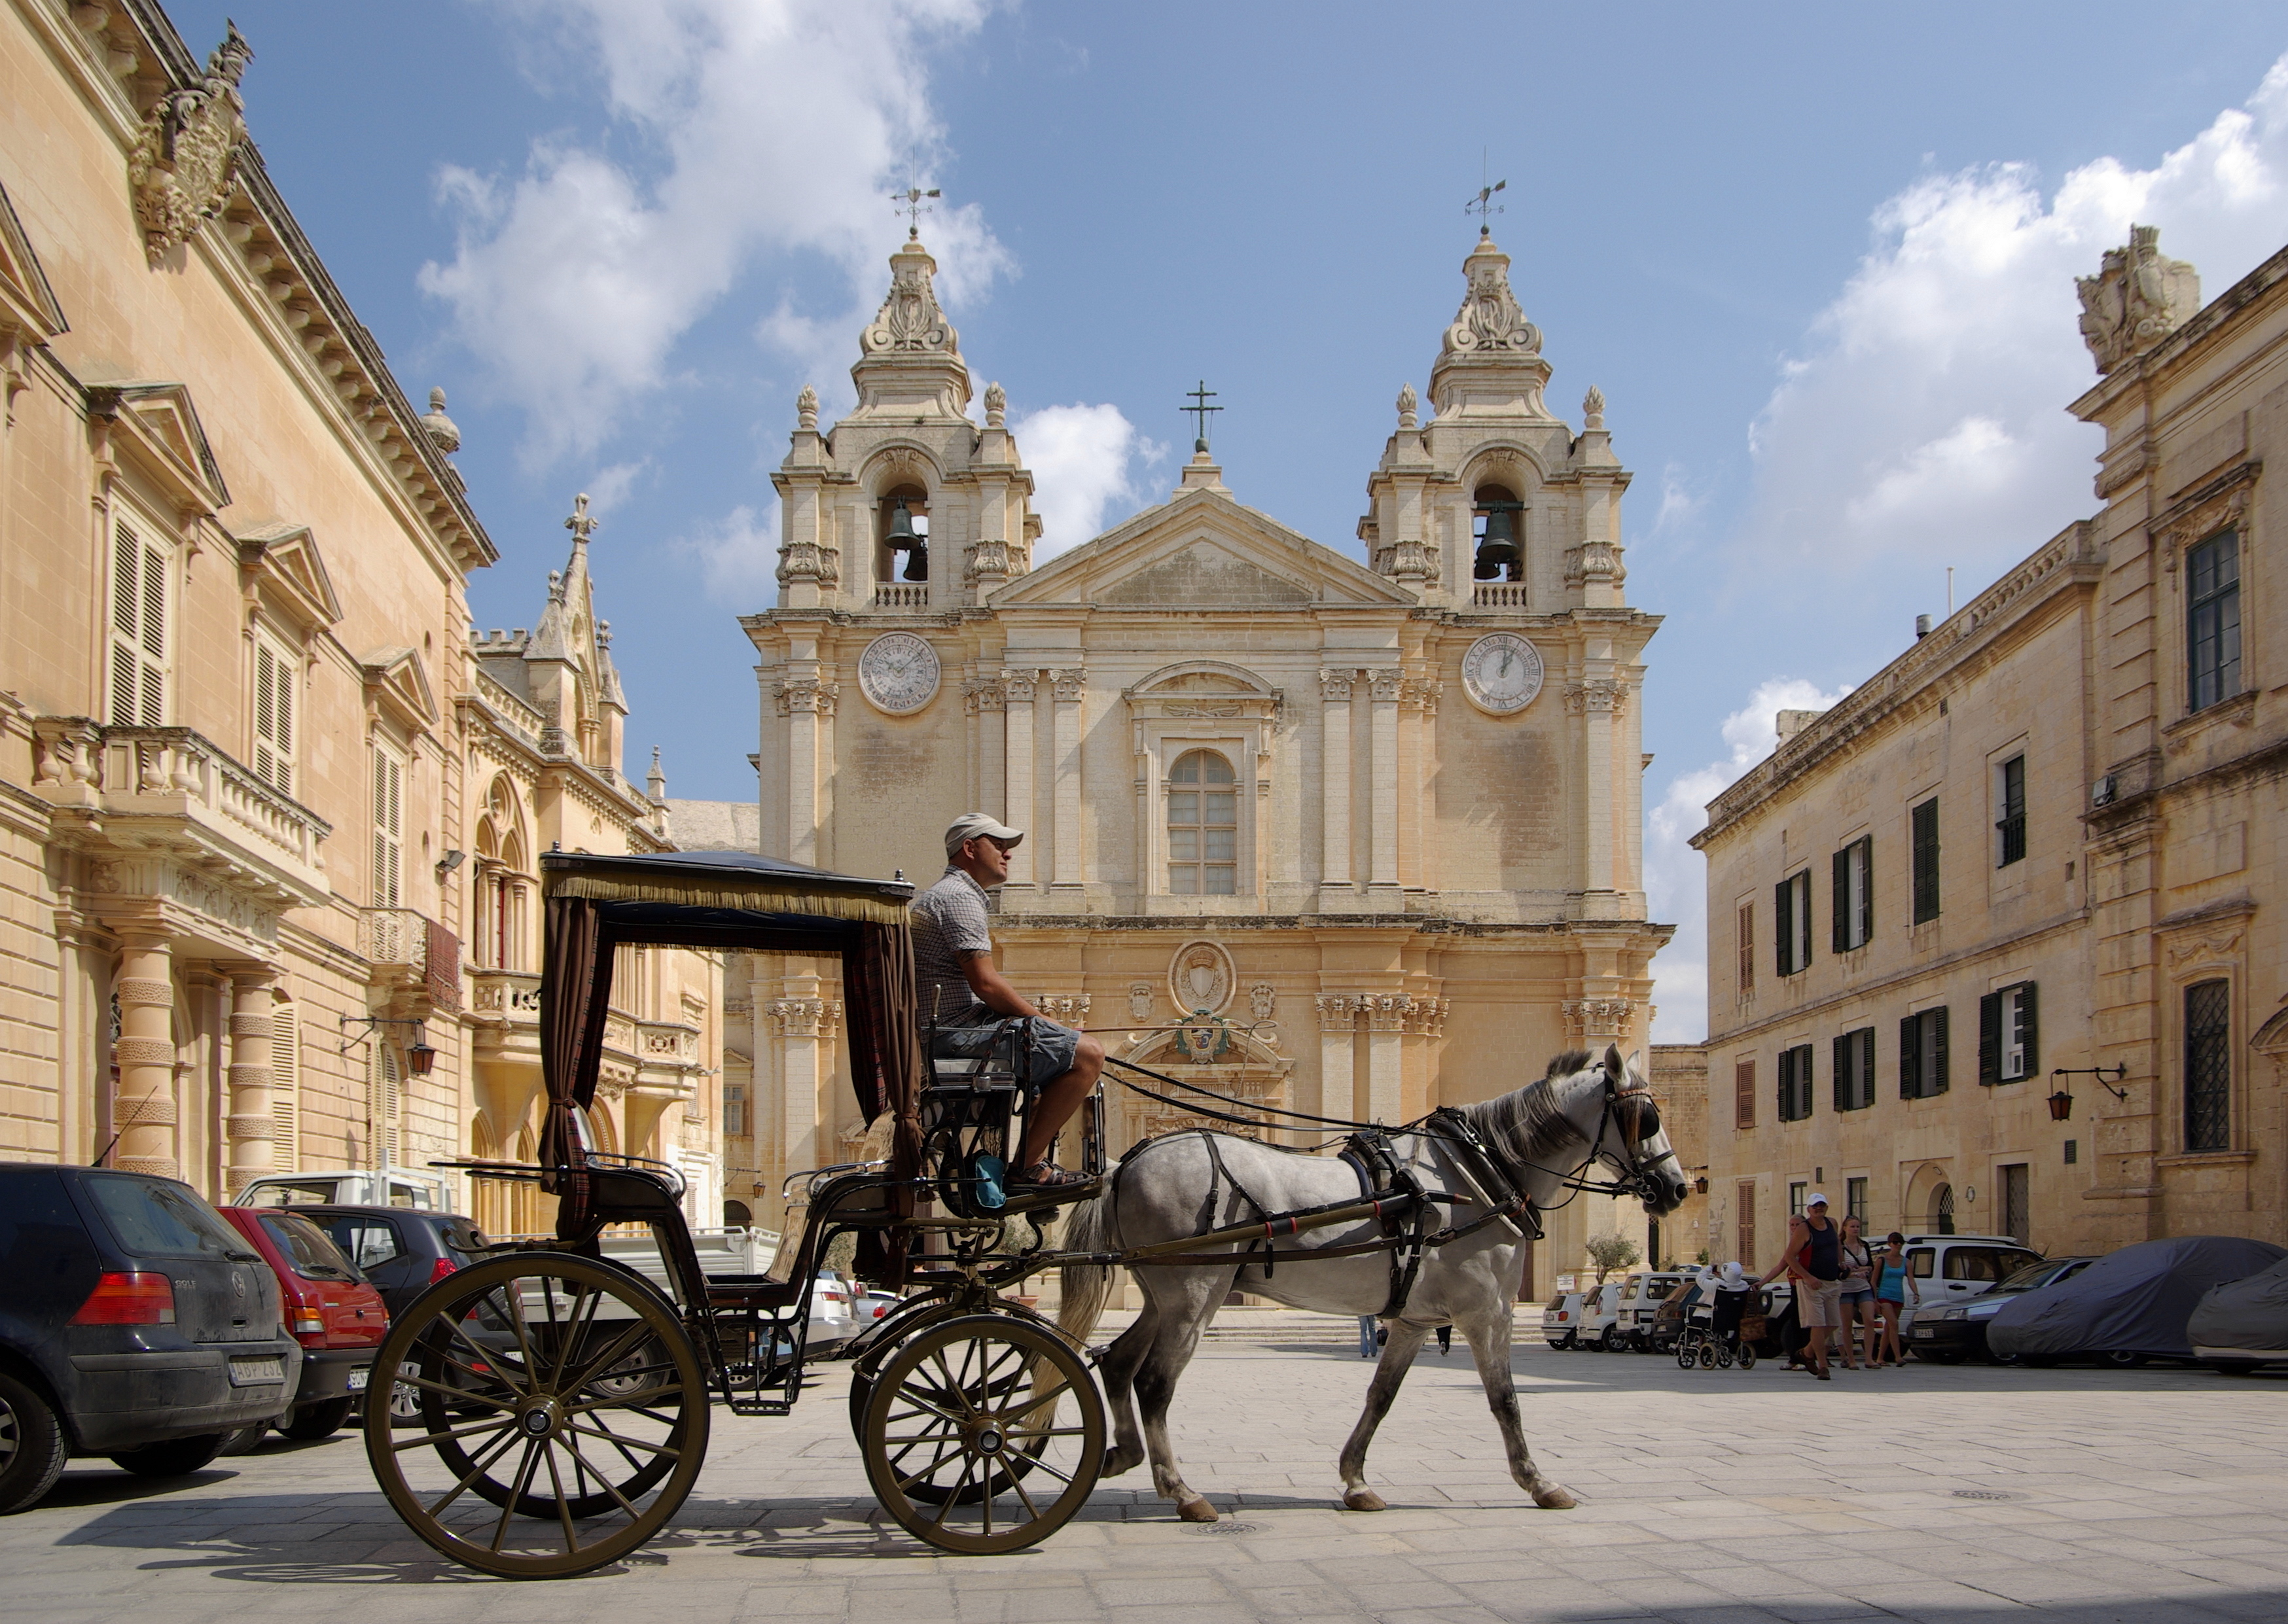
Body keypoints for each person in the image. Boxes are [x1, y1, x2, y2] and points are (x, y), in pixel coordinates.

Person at [910, 813, 1105, 1189]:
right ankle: (1027, 1167)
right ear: (969, 848)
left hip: (957, 1031)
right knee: (1088, 1055)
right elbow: (987, 984)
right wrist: (1049, 1024)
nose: (1007, 855)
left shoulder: (949, 896)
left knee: (1049, 1067)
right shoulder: (959, 899)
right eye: (997, 845)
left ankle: (1022, 1160)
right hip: (956, 1038)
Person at [1757, 1192, 1844, 1380]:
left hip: (1831, 1282)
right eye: (1815, 1206)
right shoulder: (1804, 1231)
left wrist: (1841, 1262)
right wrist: (1808, 1277)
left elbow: (1836, 1243)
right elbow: (1786, 1259)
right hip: (1808, 1285)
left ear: (1826, 1207)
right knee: (1816, 1325)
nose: (1819, 1208)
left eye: (1822, 1205)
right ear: (1809, 1209)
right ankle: (1822, 1366)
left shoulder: (1832, 1224)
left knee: (1834, 1323)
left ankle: (1806, 1352)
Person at [1872, 1231, 1918, 1367]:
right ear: (1889, 1244)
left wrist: (1916, 1293)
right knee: (1894, 1324)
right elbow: (1874, 1281)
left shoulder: (1906, 1262)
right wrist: (1875, 1300)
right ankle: (1898, 1357)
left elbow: (1911, 1279)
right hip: (1884, 1296)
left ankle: (1880, 1358)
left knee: (1889, 1327)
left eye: (1900, 1242)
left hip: (1898, 1296)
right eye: (1895, 1242)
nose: (1898, 1245)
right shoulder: (1882, 1260)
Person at [1836, 1216, 1875, 1370]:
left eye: (1857, 1226)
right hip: (1846, 1288)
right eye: (1852, 1226)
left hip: (1863, 1286)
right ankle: (1850, 1359)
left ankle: (1869, 1358)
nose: (1855, 1229)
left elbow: (1871, 1265)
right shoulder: (1840, 1246)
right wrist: (1850, 1273)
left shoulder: (1864, 1245)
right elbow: (1838, 1268)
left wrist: (1863, 1270)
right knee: (1847, 1325)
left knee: (1870, 1321)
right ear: (1845, 1228)